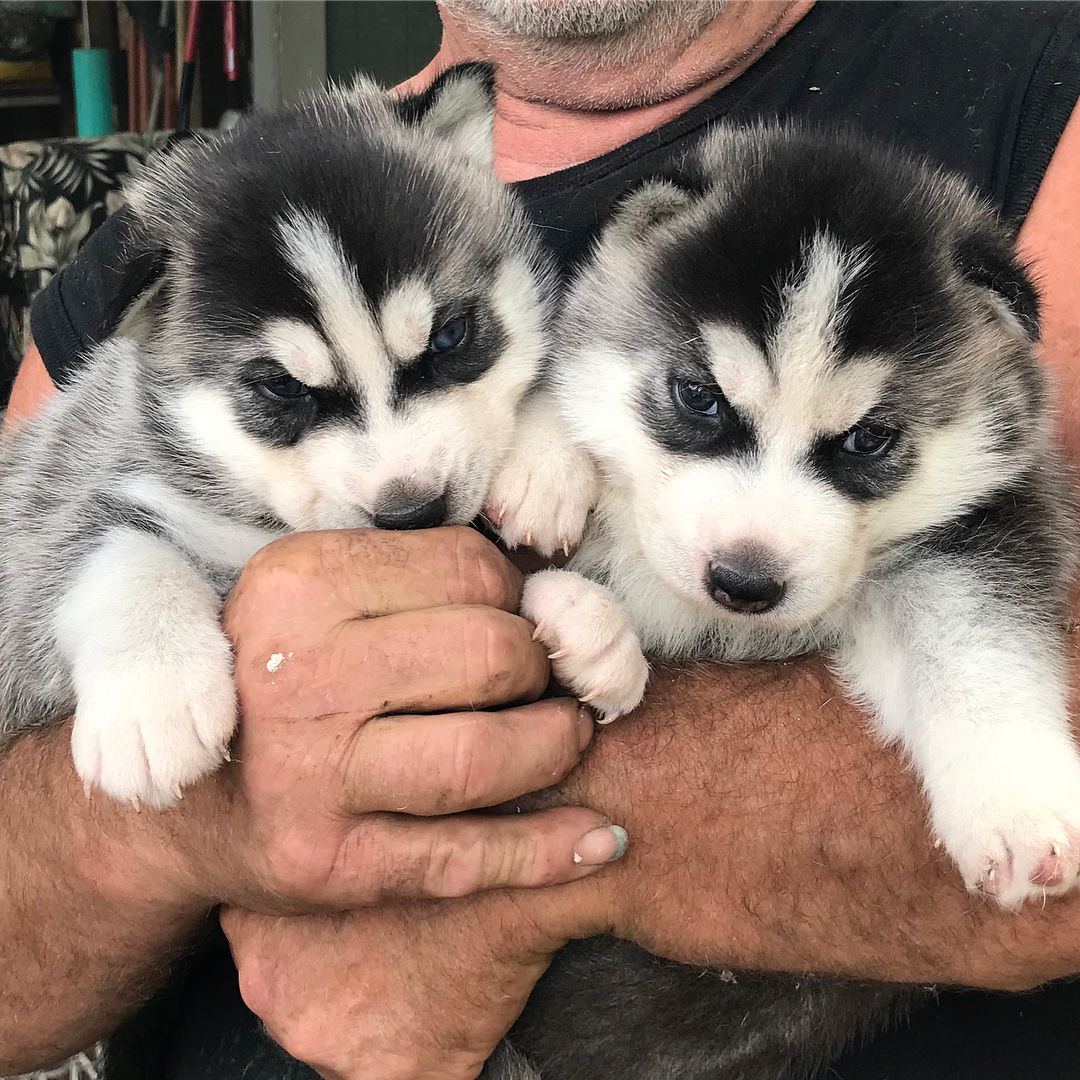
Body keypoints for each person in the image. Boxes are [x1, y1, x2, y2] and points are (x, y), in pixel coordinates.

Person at [3, 2, 1080, 1078]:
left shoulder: (1035, 94)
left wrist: (487, 881)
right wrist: (191, 821)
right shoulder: (172, 244)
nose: (404, 476)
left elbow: (1032, 810)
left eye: (458, 342)